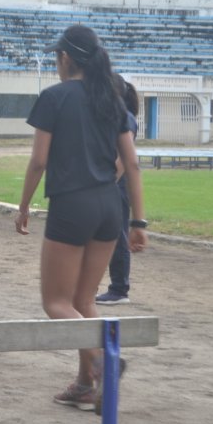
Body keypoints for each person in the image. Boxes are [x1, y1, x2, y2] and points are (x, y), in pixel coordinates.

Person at [15, 24, 148, 414]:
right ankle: (86, 384)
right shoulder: (112, 100)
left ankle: (104, 362)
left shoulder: (54, 97)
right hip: (110, 207)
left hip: (72, 205)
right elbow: (132, 163)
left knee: (56, 303)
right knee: (83, 300)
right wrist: (138, 223)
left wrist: (23, 206)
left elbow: (39, 160)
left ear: (66, 59)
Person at [97, 77, 141, 305]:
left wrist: (108, 182)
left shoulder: (128, 120)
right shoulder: (115, 119)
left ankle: (119, 288)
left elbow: (125, 159)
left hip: (116, 183)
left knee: (118, 235)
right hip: (108, 181)